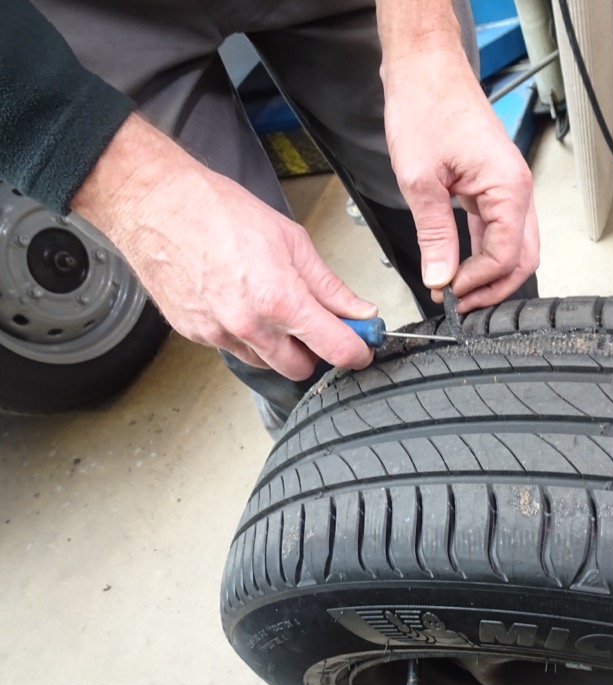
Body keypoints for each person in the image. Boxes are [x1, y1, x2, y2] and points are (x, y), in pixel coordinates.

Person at [1, 0, 540, 431]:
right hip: (78, 25)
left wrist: (425, 43)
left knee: (460, 222)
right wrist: (131, 190)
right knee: (261, 318)